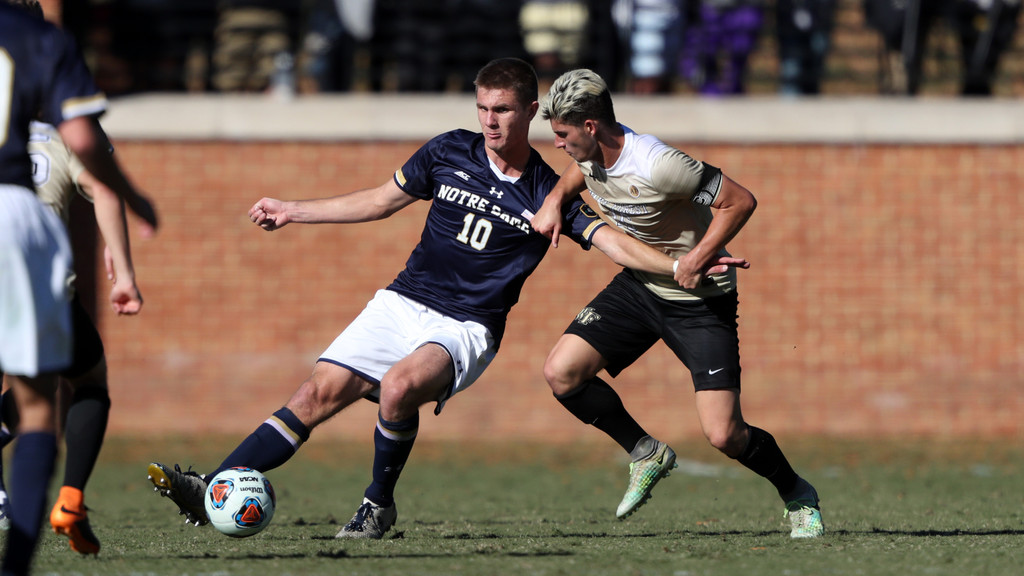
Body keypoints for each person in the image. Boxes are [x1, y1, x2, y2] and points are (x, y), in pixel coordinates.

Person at [145, 57, 720, 539]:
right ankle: (209, 488)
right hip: (403, 300)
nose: (490, 121)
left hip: (467, 326)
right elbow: (378, 201)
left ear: (528, 113)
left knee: (398, 388)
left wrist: (681, 263)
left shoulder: (549, 189)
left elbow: (613, 242)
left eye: (502, 110)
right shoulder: (448, 151)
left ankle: (378, 505)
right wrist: (293, 210)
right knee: (314, 393)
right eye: (482, 109)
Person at [529, 68, 824, 538]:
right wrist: (554, 200)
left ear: (589, 126)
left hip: (701, 302)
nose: (558, 144)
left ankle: (798, 496)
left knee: (724, 435)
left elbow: (741, 201)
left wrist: (697, 259)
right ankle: (646, 452)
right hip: (639, 287)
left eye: (562, 134)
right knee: (561, 372)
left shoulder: (658, 164)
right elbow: (578, 169)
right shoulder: (588, 152)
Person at [1, 0, 153, 572]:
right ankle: (53, 519)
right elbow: (98, 170)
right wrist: (125, 266)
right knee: (60, 392)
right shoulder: (45, 50)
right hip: (20, 238)